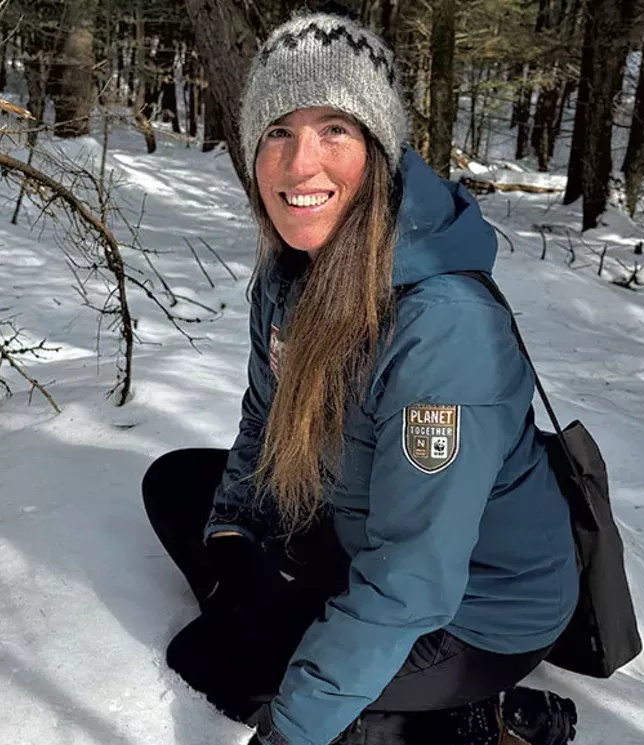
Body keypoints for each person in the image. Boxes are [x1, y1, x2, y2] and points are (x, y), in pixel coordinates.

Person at [141, 11, 584, 745]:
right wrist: (235, 538)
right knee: (179, 487)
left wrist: (290, 732)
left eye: (334, 129)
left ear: (379, 150)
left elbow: (415, 574)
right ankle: (314, 642)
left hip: (475, 605)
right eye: (277, 132)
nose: (299, 164)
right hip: (361, 524)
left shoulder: (442, 327)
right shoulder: (292, 271)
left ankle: (477, 719)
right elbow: (263, 420)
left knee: (214, 661)